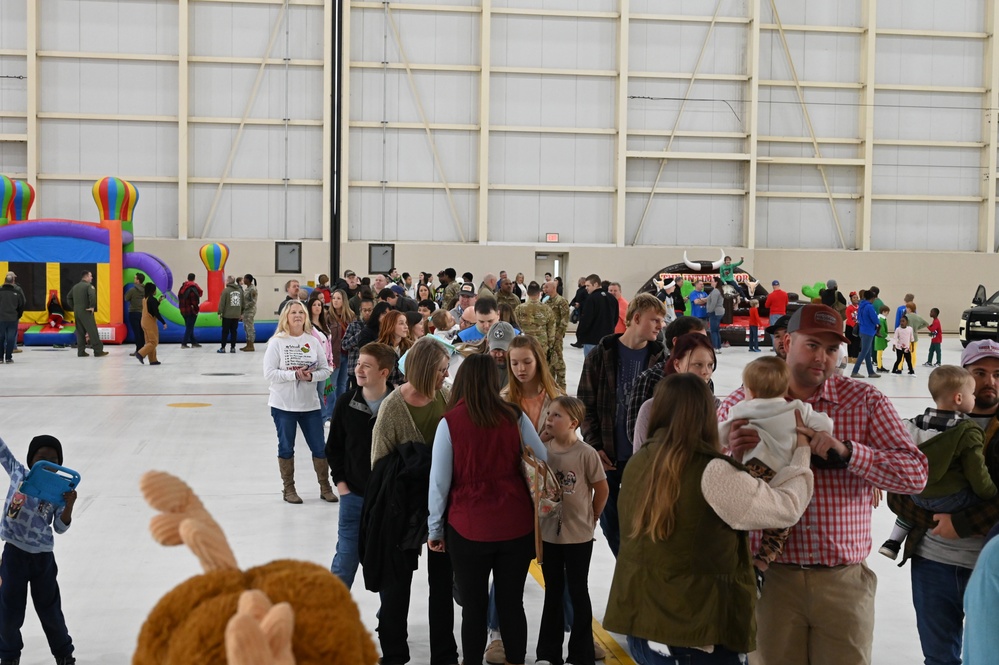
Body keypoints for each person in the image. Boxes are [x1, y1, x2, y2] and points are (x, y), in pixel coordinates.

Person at [719, 304, 928, 665]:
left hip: (842, 584)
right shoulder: (745, 401)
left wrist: (848, 453)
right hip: (770, 579)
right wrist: (732, 453)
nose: (823, 358)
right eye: (812, 345)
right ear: (786, 342)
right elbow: (710, 478)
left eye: (832, 350)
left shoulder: (864, 401)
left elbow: (915, 474)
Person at [604, 373, 814, 665]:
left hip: (645, 626)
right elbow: (787, 507)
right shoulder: (711, 472)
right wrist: (802, 450)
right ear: (707, 414)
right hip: (695, 634)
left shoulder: (642, 460)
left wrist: (734, 458)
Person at [427, 354, 547, 665]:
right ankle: (517, 659)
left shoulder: (450, 422)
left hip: (468, 527)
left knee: (474, 607)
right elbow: (542, 458)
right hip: (516, 524)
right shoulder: (515, 416)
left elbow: (439, 482)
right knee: (511, 604)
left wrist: (435, 529)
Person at [371, 337, 458, 665]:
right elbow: (379, 463)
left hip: (440, 506)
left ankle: (444, 654)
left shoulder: (447, 398)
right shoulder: (393, 407)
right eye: (440, 370)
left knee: (442, 583)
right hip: (402, 508)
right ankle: (394, 652)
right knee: (397, 584)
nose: (445, 376)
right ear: (423, 369)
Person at [717, 357, 833, 580]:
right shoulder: (798, 408)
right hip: (784, 476)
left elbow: (722, 436)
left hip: (753, 471)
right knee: (782, 521)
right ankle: (763, 560)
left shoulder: (741, 409)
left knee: (742, 508)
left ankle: (737, 552)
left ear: (748, 390)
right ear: (785, 388)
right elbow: (825, 425)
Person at [578, 293, 666, 557]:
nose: (660, 326)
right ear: (636, 318)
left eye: (661, 321)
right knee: (611, 524)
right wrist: (594, 446)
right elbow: (585, 405)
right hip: (608, 458)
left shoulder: (662, 359)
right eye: (655, 320)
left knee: (644, 523)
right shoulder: (600, 355)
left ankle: (637, 571)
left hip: (645, 459)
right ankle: (628, 567)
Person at [879, 365, 994, 561]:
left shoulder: (913, 424)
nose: (974, 398)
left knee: (922, 499)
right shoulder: (966, 431)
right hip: (950, 499)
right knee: (983, 501)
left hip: (917, 496)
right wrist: (989, 493)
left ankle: (893, 540)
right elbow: (977, 472)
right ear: (959, 398)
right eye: (972, 394)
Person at [535, 396, 608, 665]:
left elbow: (601, 488)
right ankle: (548, 653)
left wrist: (594, 514)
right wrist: (540, 439)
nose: (549, 420)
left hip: (578, 536)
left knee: (578, 590)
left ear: (573, 423)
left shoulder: (586, 453)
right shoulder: (543, 450)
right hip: (549, 534)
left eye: (557, 416)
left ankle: (580, 653)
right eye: (549, 414)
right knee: (553, 590)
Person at [0, 434, 78, 665]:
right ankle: (9, 656)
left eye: (54, 460)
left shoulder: (60, 491)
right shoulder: (18, 472)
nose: (48, 463)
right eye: (42, 458)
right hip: (14, 554)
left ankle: (64, 654)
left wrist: (69, 505)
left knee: (50, 611)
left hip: (43, 558)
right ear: (32, 460)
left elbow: (60, 527)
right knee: (8, 613)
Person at [326, 342, 396, 589]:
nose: (358, 369)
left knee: (387, 562)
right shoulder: (346, 402)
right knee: (345, 559)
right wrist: (342, 485)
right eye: (358, 364)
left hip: (388, 501)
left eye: (366, 366)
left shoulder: (397, 405)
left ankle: (387, 621)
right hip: (353, 496)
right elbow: (334, 448)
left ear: (384, 372)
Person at [263, 300, 334, 504]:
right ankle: (289, 489)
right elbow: (269, 373)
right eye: (293, 312)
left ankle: (325, 486)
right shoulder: (277, 342)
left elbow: (325, 368)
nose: (297, 316)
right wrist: (294, 375)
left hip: (310, 405)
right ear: (286, 316)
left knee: (319, 447)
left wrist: (311, 377)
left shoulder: (314, 340)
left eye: (301, 312)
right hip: (283, 405)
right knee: (286, 447)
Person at [625, 317, 710, 446]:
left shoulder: (705, 381)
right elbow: (636, 431)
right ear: (676, 342)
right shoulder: (650, 379)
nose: (703, 346)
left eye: (705, 340)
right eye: (696, 340)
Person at [307, 292, 337, 426]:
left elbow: (329, 345)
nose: (317, 307)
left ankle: (323, 416)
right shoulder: (307, 327)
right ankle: (322, 417)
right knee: (316, 392)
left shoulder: (325, 325)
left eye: (319, 305)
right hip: (314, 364)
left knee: (325, 391)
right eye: (314, 305)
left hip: (325, 364)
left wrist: (330, 362)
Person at [66, 270, 107, 358]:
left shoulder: (75, 287)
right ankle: (98, 351)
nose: (91, 278)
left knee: (80, 332)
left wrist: (74, 307)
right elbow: (92, 296)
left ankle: (81, 352)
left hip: (77, 311)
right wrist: (92, 306)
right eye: (90, 276)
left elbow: (68, 297)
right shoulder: (89, 286)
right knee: (92, 331)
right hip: (86, 311)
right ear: (86, 277)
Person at [576, 275, 615, 357]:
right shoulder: (612, 298)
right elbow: (615, 318)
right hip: (607, 340)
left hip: (591, 340)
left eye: (588, 286)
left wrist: (580, 334)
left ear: (596, 284)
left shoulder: (591, 299)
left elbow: (586, 319)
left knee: (591, 367)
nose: (586, 288)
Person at [514, 283, 555, 360]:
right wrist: (550, 345)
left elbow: (516, 328)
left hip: (524, 344)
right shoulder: (547, 309)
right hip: (541, 346)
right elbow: (551, 329)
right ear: (539, 294)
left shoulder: (519, 309)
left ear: (527, 293)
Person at [328, 289, 355, 401]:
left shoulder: (351, 316)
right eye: (334, 298)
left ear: (344, 300)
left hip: (347, 354)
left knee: (343, 384)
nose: (335, 301)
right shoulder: (328, 316)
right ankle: (330, 412)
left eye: (338, 298)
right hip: (333, 355)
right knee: (331, 385)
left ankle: (339, 410)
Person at [342, 297, 374, 389]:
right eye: (365, 310)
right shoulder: (353, 325)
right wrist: (361, 335)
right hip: (355, 367)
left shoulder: (376, 327)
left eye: (369, 310)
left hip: (371, 369)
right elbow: (344, 345)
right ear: (360, 310)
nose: (367, 313)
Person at [543, 279, 570, 390]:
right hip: (548, 337)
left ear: (553, 288)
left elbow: (565, 319)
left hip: (557, 337)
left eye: (546, 287)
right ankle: (551, 385)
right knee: (549, 361)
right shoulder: (546, 302)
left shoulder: (561, 301)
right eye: (544, 288)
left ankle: (561, 385)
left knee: (558, 360)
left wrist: (558, 335)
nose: (544, 290)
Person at [850, 289, 881, 379]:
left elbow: (858, 317)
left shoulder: (861, 305)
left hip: (862, 330)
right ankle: (855, 371)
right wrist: (878, 324)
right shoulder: (869, 307)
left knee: (867, 352)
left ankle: (870, 372)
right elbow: (874, 318)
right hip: (869, 331)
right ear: (872, 298)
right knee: (864, 352)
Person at [135, 283, 167, 366]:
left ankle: (153, 360)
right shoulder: (152, 300)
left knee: (149, 341)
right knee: (153, 342)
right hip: (150, 323)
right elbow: (156, 313)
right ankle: (140, 353)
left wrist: (159, 301)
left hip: (144, 322)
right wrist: (163, 322)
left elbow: (152, 308)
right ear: (152, 290)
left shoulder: (145, 299)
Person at [0, 275, 25, 364]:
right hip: (13, 319)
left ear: (4, 281)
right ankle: (8, 357)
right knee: (11, 338)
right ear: (13, 281)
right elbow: (22, 305)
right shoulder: (17, 293)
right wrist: (18, 315)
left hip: (1, 319)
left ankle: (0, 358)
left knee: (1, 337)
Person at [217, 275, 244, 354]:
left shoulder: (226, 291)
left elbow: (222, 303)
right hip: (236, 315)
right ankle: (233, 348)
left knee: (225, 332)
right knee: (234, 332)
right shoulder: (240, 291)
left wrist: (219, 312)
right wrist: (241, 313)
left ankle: (223, 348)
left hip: (227, 315)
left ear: (228, 281)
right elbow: (243, 303)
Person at [178, 273, 203, 348]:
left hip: (183, 310)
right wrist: (196, 309)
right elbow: (194, 301)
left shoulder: (182, 287)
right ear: (194, 278)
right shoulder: (193, 288)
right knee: (189, 327)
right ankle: (184, 343)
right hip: (191, 311)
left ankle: (194, 342)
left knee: (189, 326)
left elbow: (179, 297)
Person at [125, 272, 146, 356]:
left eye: (135, 278)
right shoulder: (146, 290)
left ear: (138, 280)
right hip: (143, 313)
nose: (134, 279)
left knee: (136, 332)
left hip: (134, 312)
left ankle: (138, 350)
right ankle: (143, 349)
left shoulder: (132, 290)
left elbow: (126, 298)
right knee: (142, 332)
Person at [705, 277, 725, 352]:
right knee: (716, 330)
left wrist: (709, 311)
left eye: (712, 281)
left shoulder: (715, 291)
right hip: (719, 312)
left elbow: (713, 303)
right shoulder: (718, 291)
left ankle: (715, 347)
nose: (711, 282)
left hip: (714, 312)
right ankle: (718, 347)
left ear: (716, 282)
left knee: (713, 331)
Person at [766, 279, 788, 344]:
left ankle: (775, 346)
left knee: (774, 331)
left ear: (773, 286)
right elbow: (786, 303)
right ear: (779, 285)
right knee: (783, 330)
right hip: (782, 313)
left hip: (773, 314)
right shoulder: (785, 294)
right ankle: (784, 345)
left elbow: (767, 305)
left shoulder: (771, 295)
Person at [240, 274, 258, 352]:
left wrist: (244, 307)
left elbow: (253, 301)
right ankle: (248, 344)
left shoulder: (252, 289)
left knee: (250, 327)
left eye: (244, 279)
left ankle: (251, 345)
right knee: (246, 327)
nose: (243, 280)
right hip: (246, 311)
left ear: (248, 279)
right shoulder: (247, 289)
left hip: (250, 310)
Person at [874, 304, 890, 372]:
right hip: (880, 338)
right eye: (887, 312)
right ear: (883, 312)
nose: (887, 314)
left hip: (880, 338)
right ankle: (879, 367)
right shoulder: (881, 319)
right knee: (879, 353)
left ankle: (880, 365)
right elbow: (882, 330)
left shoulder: (880, 319)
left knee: (880, 353)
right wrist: (887, 336)